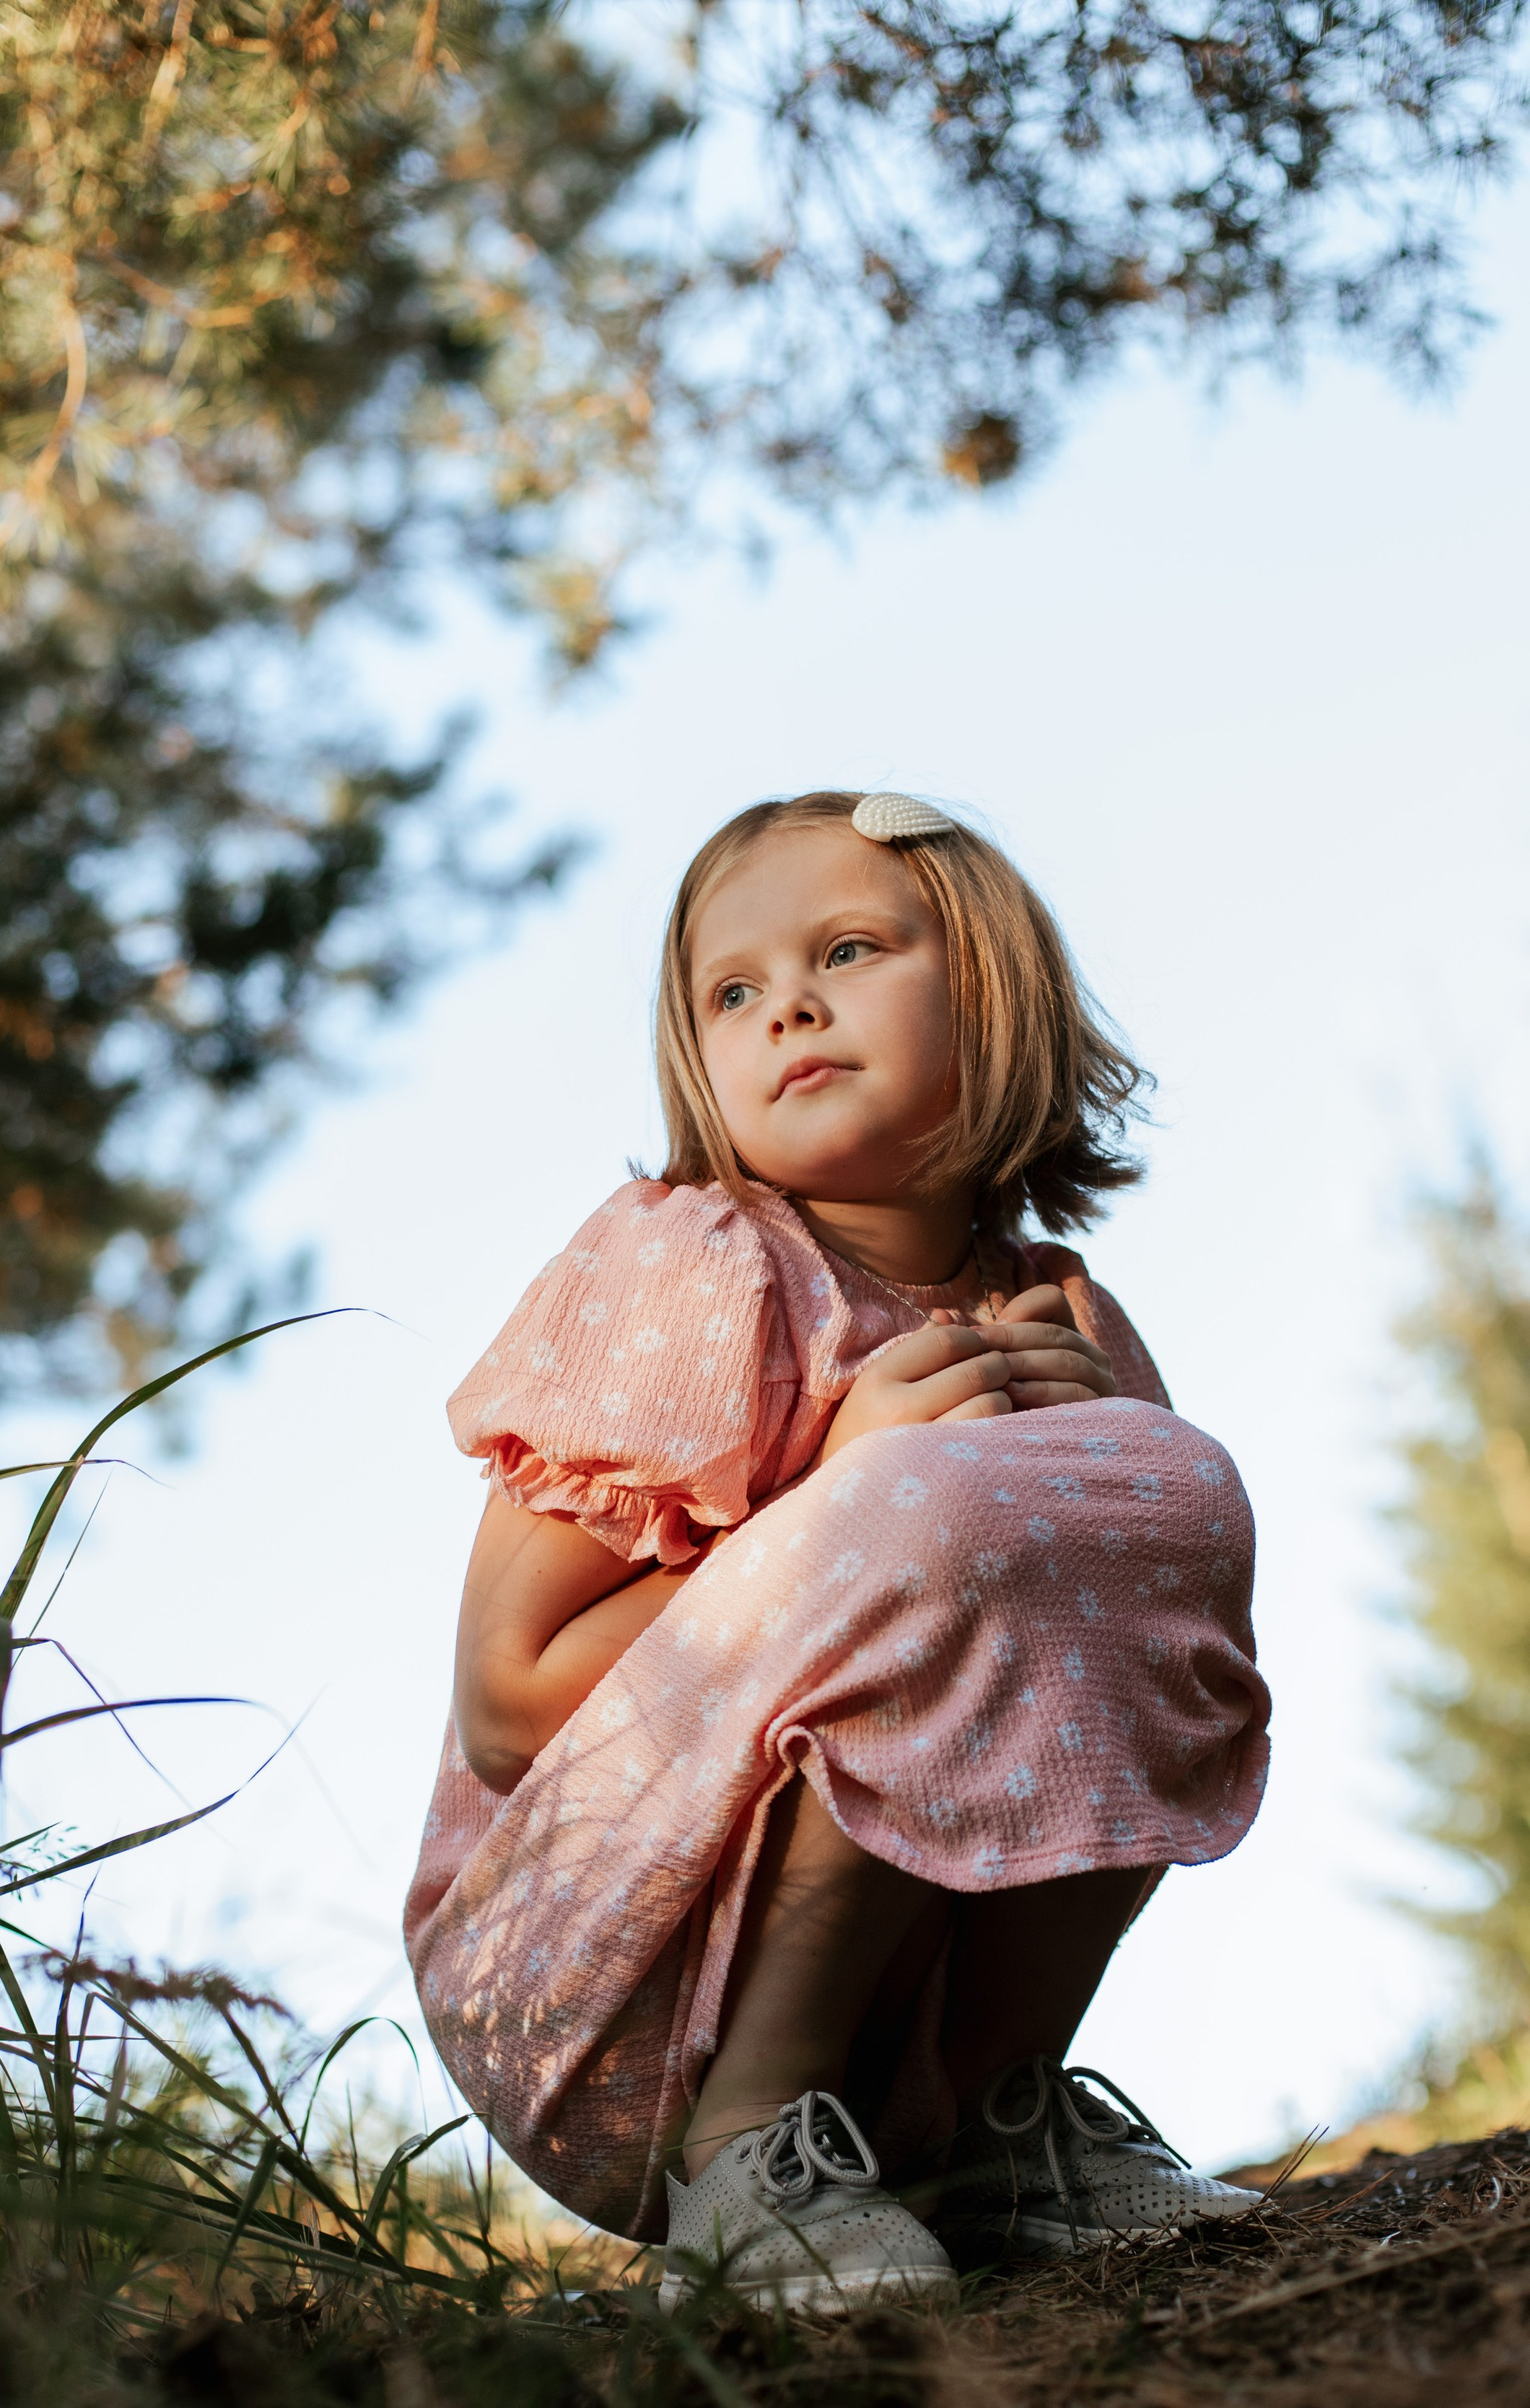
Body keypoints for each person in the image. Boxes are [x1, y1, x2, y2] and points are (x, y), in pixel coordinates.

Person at [404, 790, 1271, 2311]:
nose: (784, 1004)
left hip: (911, 2031)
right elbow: (507, 1698)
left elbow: (1104, 1679)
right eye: (728, 993)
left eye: (847, 949)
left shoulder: (1060, 1321)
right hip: (594, 1979)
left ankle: (998, 2117)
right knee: (928, 1511)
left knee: (1160, 1484)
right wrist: (838, 1487)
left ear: (993, 994)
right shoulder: (692, 1268)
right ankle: (749, 2147)